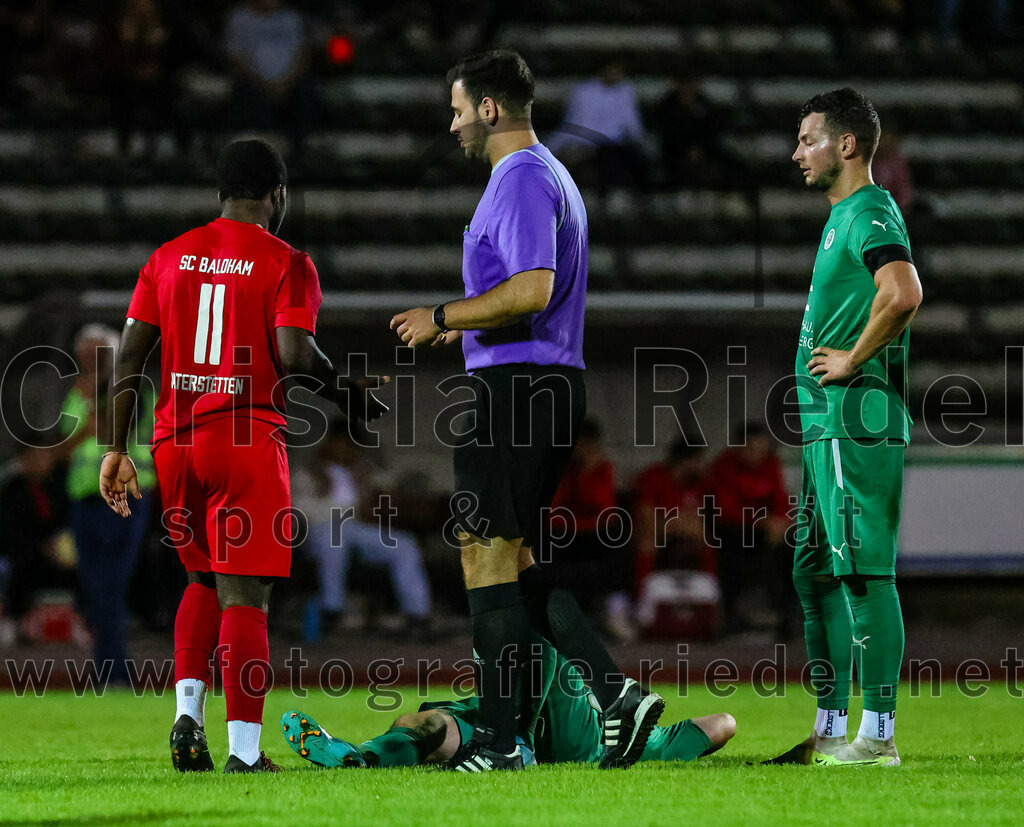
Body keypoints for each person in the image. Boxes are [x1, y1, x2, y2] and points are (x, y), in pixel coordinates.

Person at [390, 50, 663, 772]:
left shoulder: (519, 178)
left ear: (488, 108)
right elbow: (522, 291)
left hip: (519, 388)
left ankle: (501, 740)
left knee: (483, 553)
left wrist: (442, 311)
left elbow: (534, 288)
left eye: (457, 109)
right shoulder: (549, 174)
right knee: (510, 557)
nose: (452, 125)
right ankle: (615, 696)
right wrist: (466, 324)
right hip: (538, 382)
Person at [99, 138, 387, 774]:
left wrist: (115, 449)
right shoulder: (288, 261)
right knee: (247, 598)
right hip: (244, 439)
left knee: (202, 580)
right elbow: (294, 355)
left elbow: (128, 357)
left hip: (174, 442)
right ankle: (245, 754)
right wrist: (350, 396)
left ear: (219, 196)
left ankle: (187, 716)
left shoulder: (166, 258)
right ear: (277, 196)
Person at [770, 88, 922, 767]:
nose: (796, 151)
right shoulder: (843, 216)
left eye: (807, 138)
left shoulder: (869, 211)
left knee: (861, 572)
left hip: (853, 417)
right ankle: (832, 726)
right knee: (813, 571)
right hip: (824, 424)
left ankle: (878, 735)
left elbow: (904, 292)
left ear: (848, 144)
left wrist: (854, 357)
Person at [279, 634, 736, 770]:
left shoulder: (633, 736)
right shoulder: (643, 739)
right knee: (421, 722)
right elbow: (724, 722)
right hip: (538, 721)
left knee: (427, 724)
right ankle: (359, 761)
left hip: (533, 716)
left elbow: (724, 722)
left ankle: (514, 744)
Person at [63, 324, 155, 685]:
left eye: (97, 352)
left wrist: (86, 408)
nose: (90, 359)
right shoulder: (78, 392)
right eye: (85, 353)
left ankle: (112, 674)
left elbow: (109, 428)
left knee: (110, 586)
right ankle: (112, 670)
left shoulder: (135, 386)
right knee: (96, 586)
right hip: (84, 499)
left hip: (123, 498)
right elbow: (67, 444)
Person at [293, 423, 432, 635]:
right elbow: (300, 507)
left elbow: (386, 489)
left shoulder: (362, 471)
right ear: (329, 444)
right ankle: (332, 609)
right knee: (334, 536)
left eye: (350, 445)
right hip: (321, 530)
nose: (345, 450)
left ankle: (418, 613)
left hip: (356, 528)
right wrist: (345, 509)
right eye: (341, 444)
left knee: (404, 543)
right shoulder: (308, 472)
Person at [706, 421, 791, 636]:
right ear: (740, 448)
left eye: (762, 449)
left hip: (766, 532)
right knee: (735, 546)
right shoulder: (724, 466)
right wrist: (762, 521)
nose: (758, 454)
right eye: (752, 449)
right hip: (731, 530)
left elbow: (781, 500)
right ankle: (731, 614)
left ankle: (789, 613)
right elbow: (725, 510)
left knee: (795, 544)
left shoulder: (771, 464)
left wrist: (779, 522)